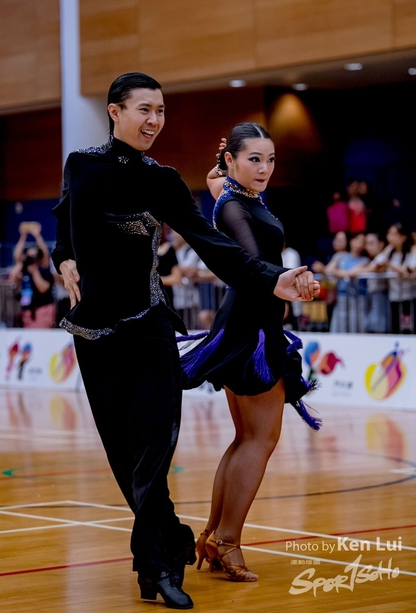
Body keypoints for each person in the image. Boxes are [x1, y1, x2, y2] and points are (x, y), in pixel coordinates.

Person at [50, 73, 319, 610]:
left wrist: (272, 278)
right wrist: (64, 258)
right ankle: (168, 542)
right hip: (94, 333)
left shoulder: (162, 179)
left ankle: (161, 567)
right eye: (144, 109)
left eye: (161, 111)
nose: (154, 120)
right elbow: (65, 220)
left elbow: (213, 245)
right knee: (124, 455)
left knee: (155, 445)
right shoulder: (81, 165)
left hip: (150, 328)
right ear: (115, 111)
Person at [178, 123, 322, 584]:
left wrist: (295, 283)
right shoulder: (234, 206)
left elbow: (217, 184)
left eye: (270, 159)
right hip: (253, 330)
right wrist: (289, 281)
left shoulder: (236, 195)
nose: (264, 168)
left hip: (248, 322)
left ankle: (213, 534)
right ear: (233, 161)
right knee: (260, 439)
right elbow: (250, 263)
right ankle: (227, 540)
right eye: (254, 159)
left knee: (246, 438)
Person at [370, 223, 416, 333]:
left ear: (403, 237)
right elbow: (374, 265)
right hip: (393, 297)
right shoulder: (389, 250)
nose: (390, 237)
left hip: (409, 298)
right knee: (394, 327)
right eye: (389, 234)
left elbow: (409, 269)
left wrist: (389, 265)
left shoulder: (412, 250)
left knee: (408, 328)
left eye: (393, 234)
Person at [9, 222, 55, 328]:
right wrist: (23, 237)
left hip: (42, 310)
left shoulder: (44, 269)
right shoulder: (25, 269)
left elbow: (43, 288)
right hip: (27, 311)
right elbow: (16, 260)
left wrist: (37, 236)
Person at [328, 231, 369, 332]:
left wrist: (339, 272)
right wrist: (340, 272)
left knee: (356, 324)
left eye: (362, 242)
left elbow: (353, 272)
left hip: (358, 297)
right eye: (357, 240)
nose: (359, 244)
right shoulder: (340, 256)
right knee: (341, 322)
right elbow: (329, 270)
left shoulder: (365, 260)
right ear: (351, 241)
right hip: (341, 296)